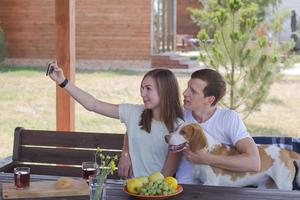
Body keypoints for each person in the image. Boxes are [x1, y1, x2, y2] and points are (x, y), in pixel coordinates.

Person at [47, 62, 183, 179]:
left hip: (158, 192)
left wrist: (148, 191)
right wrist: (63, 82)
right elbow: (92, 104)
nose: (142, 94)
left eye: (148, 89)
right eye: (142, 88)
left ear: (165, 91)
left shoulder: (178, 128)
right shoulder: (134, 113)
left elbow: (167, 173)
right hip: (130, 188)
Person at [176, 68, 261, 184]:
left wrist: (205, 158)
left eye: (193, 91)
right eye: (187, 87)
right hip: (182, 187)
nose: (185, 93)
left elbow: (253, 162)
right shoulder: (180, 115)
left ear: (210, 100)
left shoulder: (228, 118)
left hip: (214, 190)